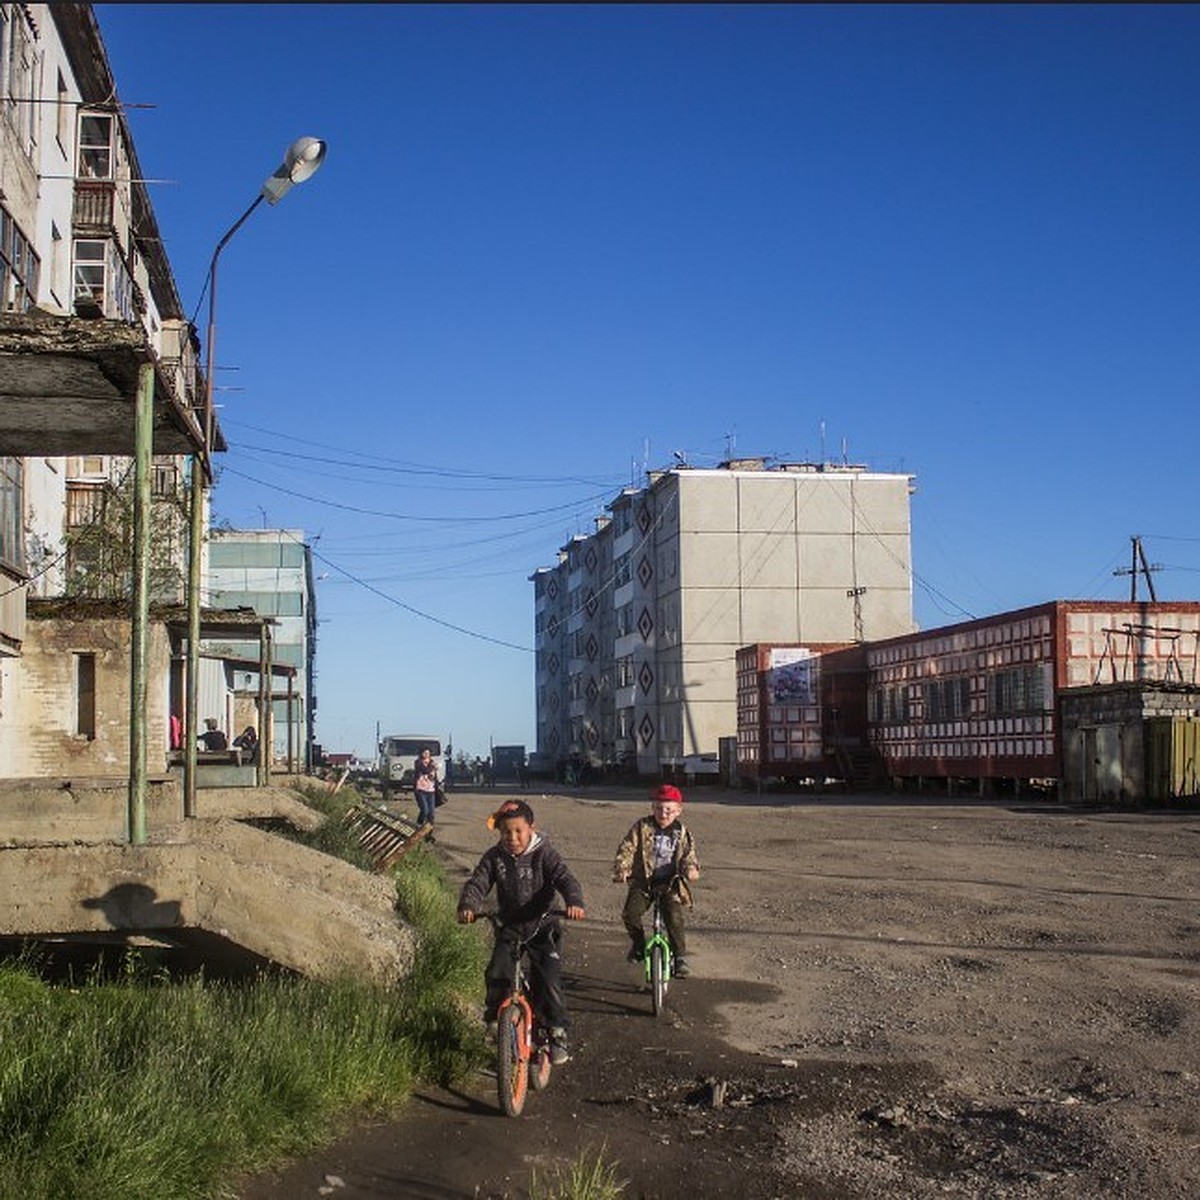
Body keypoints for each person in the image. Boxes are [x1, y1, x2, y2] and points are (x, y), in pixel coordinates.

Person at [457, 798, 585, 1065]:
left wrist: (574, 901)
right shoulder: (495, 857)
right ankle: (495, 1020)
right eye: (505, 832)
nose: (512, 837)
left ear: (531, 828)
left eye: (518, 831)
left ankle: (556, 1031)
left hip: (543, 925)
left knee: (547, 978)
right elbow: (478, 881)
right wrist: (469, 905)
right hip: (511, 925)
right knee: (497, 971)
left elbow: (565, 877)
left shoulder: (544, 854)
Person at [613, 783, 701, 977]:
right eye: (659, 808)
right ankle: (638, 946)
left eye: (669, 810)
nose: (663, 813)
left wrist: (691, 869)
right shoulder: (643, 827)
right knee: (630, 914)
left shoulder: (682, 832)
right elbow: (628, 847)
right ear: (653, 808)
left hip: (670, 882)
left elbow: (689, 855)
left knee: (674, 918)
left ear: (678, 810)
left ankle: (679, 958)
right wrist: (622, 868)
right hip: (644, 881)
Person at [413, 747, 440, 834]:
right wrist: (433, 767)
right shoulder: (418, 762)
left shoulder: (433, 763)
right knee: (424, 810)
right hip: (421, 789)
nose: (426, 755)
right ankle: (418, 826)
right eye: (424, 753)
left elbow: (434, 776)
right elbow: (425, 770)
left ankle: (429, 833)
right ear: (421, 754)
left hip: (430, 790)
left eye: (428, 753)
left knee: (431, 814)